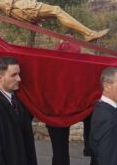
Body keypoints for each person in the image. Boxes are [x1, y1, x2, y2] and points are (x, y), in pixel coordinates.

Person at [0, 56, 37, 165]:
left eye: (18, 74)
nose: (19, 79)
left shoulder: (19, 101)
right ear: (0, 78)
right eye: (13, 75)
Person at [46, 31, 92, 165]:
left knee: (60, 151)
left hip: (58, 107)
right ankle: (89, 148)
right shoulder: (78, 58)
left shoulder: (55, 60)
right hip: (71, 103)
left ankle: (89, 148)